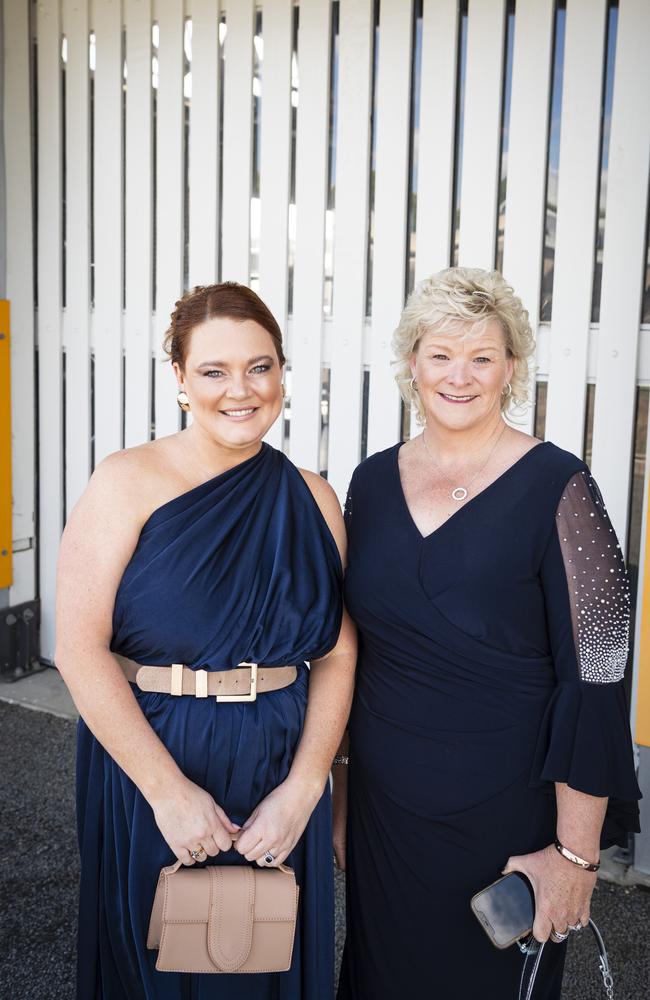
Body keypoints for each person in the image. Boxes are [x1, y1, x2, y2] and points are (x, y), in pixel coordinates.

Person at [334, 267, 641, 999]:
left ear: (511, 368)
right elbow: (351, 650)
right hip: (385, 812)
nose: (459, 376)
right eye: (440, 354)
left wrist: (575, 854)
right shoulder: (371, 482)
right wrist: (342, 797)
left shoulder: (561, 485)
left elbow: (598, 675)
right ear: (412, 364)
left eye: (481, 357)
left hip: (506, 821)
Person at [55, 282, 356, 999]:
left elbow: (339, 651)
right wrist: (166, 793)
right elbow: (78, 647)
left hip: (282, 766)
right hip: (156, 758)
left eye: (259, 367)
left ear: (283, 372)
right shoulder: (126, 481)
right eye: (215, 371)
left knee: (271, 955)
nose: (240, 390)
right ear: (181, 381)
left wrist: (308, 786)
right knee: (161, 965)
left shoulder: (313, 496)